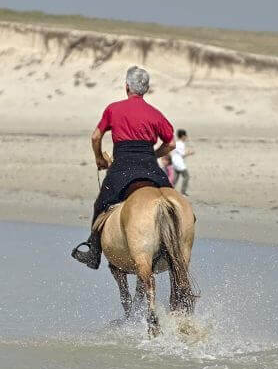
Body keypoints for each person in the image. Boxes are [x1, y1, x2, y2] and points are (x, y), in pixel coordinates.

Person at [71, 66, 175, 269]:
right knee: (171, 200)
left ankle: (93, 252)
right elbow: (170, 144)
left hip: (122, 168)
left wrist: (100, 158)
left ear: (127, 87)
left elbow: (95, 137)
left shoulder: (113, 109)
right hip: (150, 167)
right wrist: (153, 154)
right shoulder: (155, 113)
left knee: (100, 204)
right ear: (146, 89)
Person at [170, 129, 192, 195]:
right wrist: (190, 153)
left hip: (175, 163)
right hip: (179, 163)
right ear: (182, 136)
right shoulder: (180, 144)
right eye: (185, 136)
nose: (186, 137)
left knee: (175, 178)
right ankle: (183, 192)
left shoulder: (177, 143)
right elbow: (182, 154)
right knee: (186, 176)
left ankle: (170, 190)